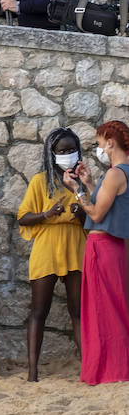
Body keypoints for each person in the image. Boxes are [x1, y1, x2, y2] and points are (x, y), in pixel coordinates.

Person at [16, 127, 85, 381]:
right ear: (51, 153)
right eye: (62, 151)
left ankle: (87, 366)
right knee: (39, 310)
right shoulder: (39, 181)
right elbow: (23, 217)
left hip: (75, 245)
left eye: (71, 150)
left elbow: (94, 216)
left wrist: (81, 213)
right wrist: (46, 214)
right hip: (46, 247)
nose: (67, 154)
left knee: (77, 311)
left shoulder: (82, 179)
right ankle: (33, 372)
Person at [65, 120, 129, 385]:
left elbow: (97, 212)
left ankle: (111, 370)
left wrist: (76, 191)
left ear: (110, 142)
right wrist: (90, 183)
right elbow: (108, 204)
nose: (99, 148)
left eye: (100, 143)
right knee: (115, 306)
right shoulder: (120, 172)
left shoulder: (115, 174)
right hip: (113, 247)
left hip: (102, 247)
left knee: (104, 310)